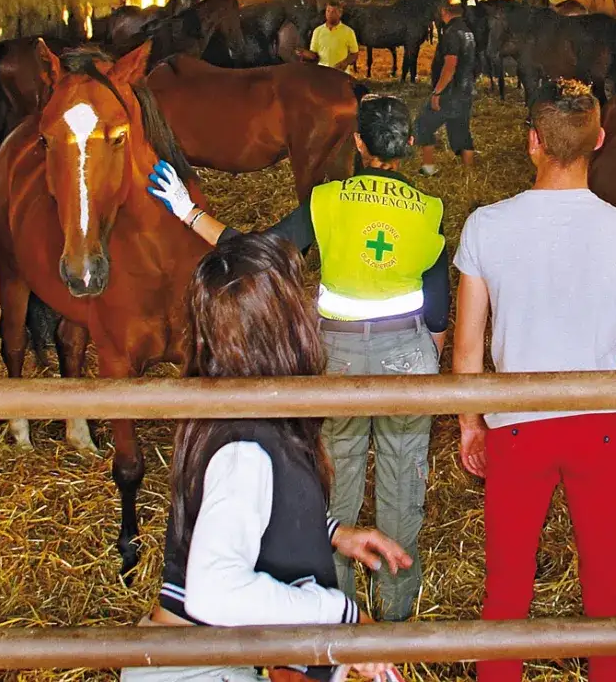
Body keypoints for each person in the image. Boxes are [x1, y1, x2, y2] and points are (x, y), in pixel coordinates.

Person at [148, 95, 448, 623]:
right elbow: (440, 310)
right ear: (405, 147)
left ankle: (339, 613)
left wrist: (188, 212)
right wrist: (428, 362)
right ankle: (399, 618)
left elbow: (263, 252)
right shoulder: (430, 212)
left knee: (338, 480)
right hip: (408, 358)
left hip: (339, 360)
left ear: (358, 143)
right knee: (405, 479)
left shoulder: (328, 200)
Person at [451, 81, 616, 682]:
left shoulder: (485, 226)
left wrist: (471, 423)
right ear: (599, 140)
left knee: (506, 594)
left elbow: (467, 344)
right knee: (607, 596)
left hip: (516, 425)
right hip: (600, 427)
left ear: (532, 143)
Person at [122, 234, 410, 682]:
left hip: (205, 661)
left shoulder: (226, 405)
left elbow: (249, 508)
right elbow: (213, 591)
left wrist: (330, 532)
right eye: (300, 297)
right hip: (199, 672)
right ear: (283, 324)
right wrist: (339, 615)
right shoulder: (245, 448)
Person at [416, 0, 477, 173]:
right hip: (465, 90)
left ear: (444, 11)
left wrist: (437, 92)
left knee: (423, 125)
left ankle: (428, 168)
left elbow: (450, 66)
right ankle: (468, 174)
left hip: (449, 92)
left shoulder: (451, 33)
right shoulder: (468, 32)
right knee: (461, 129)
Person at [309, 0, 360, 72]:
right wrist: (305, 54)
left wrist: (345, 62)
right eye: (328, 11)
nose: (329, 14)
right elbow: (313, 53)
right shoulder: (317, 31)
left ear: (340, 14)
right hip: (322, 73)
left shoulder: (348, 32)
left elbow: (354, 53)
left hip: (340, 73)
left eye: (333, 12)